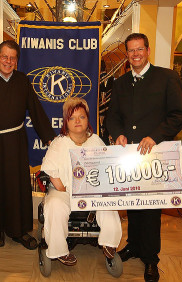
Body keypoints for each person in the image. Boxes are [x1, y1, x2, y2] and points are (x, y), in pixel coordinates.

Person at [106, 33, 182, 282]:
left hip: (154, 153)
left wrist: (155, 136)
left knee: (150, 209)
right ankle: (133, 245)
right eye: (131, 51)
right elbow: (112, 116)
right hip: (129, 155)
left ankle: (151, 259)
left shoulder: (167, 77)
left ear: (148, 50)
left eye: (139, 49)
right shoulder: (119, 83)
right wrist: (117, 134)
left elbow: (177, 115)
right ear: (127, 56)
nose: (135, 54)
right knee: (132, 204)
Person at [0, 40, 56, 250]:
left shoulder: (22, 81)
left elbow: (35, 109)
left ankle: (18, 231)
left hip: (16, 142)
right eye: (4, 56)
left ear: (17, 61)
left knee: (16, 186)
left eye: (12, 58)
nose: (8, 61)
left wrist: (49, 138)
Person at [41, 97, 122, 265]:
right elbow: (51, 172)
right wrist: (66, 192)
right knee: (55, 205)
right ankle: (59, 250)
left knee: (109, 202)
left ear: (88, 119)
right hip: (64, 190)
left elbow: (106, 168)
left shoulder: (96, 141)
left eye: (82, 117)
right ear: (66, 122)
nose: (77, 121)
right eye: (72, 118)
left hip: (92, 190)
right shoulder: (59, 143)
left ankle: (110, 243)